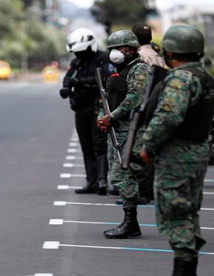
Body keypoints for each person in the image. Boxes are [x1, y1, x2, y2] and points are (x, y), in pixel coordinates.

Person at [139, 25, 214, 275]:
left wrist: (148, 145)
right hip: (197, 153)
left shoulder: (180, 79)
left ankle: (183, 269)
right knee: (188, 212)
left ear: (170, 52)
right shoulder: (205, 77)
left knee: (175, 214)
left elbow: (169, 117)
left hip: (177, 157)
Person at [96, 30, 150, 238]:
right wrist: (102, 117)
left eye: (119, 48)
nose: (114, 53)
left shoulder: (139, 69)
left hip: (131, 128)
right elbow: (106, 99)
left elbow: (135, 98)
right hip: (116, 129)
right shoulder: (116, 71)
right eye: (112, 49)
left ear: (130, 49)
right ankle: (130, 222)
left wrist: (112, 117)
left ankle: (131, 224)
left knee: (124, 174)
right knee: (118, 175)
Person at [60, 28, 111, 195]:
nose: (79, 54)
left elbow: (105, 79)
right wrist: (67, 87)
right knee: (86, 145)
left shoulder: (103, 58)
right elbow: (68, 77)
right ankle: (92, 181)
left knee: (100, 144)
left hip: (98, 107)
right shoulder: (77, 62)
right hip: (81, 108)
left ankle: (103, 180)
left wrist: (80, 81)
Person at [131, 23, 166, 205]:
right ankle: (149, 190)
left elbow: (140, 86)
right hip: (157, 105)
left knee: (140, 149)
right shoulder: (157, 56)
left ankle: (143, 192)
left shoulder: (139, 57)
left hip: (143, 106)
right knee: (151, 148)